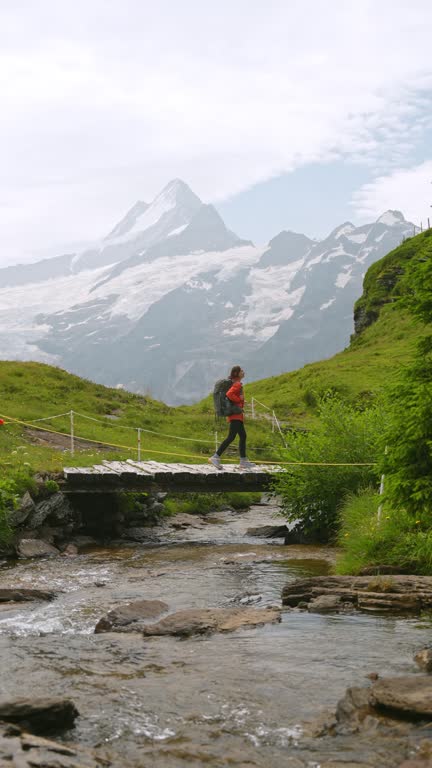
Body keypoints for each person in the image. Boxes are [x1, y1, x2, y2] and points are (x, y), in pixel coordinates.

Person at [209, 365, 256, 470]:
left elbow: (231, 396)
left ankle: (243, 460)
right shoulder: (237, 384)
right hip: (235, 415)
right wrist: (239, 400)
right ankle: (216, 457)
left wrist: (241, 401)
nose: (244, 372)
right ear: (237, 373)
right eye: (241, 371)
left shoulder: (235, 383)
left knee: (242, 436)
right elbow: (229, 394)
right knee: (231, 437)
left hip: (235, 414)